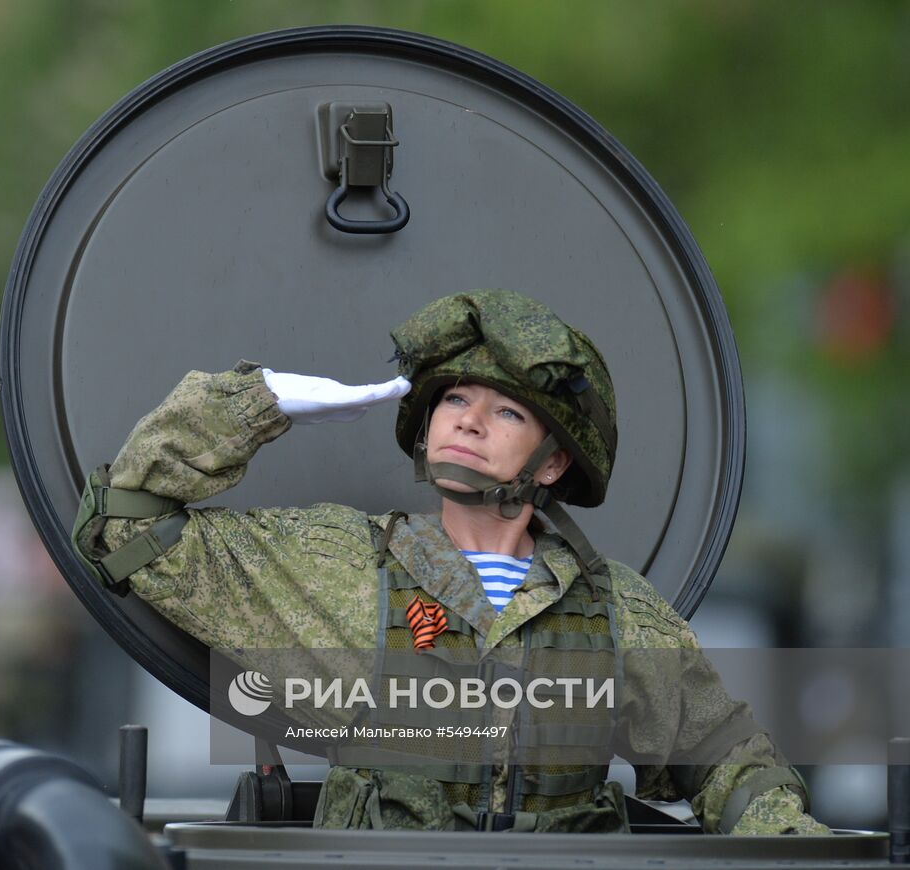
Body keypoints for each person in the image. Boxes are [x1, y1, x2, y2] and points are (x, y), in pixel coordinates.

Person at [72, 289, 825, 834]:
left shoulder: (611, 611)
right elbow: (126, 524)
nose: (467, 419)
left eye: (507, 411)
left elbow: (720, 756)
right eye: (453, 399)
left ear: (554, 460)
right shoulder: (340, 569)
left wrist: (787, 840)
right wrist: (252, 404)